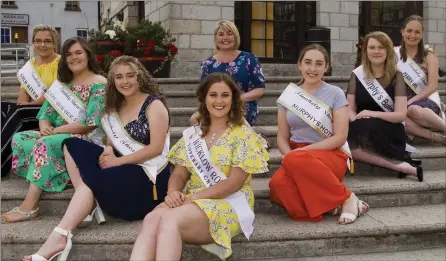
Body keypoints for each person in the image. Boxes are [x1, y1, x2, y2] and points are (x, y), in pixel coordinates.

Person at [23, 56, 172, 261]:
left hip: (148, 181)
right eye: (119, 77)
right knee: (72, 144)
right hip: (121, 172)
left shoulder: (153, 105)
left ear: (141, 77)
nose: (125, 81)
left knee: (92, 181)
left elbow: (155, 149)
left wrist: (118, 161)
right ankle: (85, 206)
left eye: (130, 75)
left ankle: (61, 236)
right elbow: (111, 139)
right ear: (113, 81)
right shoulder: (115, 106)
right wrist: (109, 150)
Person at [130, 72, 269, 261]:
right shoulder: (193, 135)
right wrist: (172, 192)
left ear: (233, 99)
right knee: (151, 219)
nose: (219, 101)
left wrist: (191, 198)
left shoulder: (243, 135)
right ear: (204, 99)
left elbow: (234, 183)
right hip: (192, 201)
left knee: (170, 219)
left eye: (225, 95)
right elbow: (179, 174)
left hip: (230, 203)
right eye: (213, 95)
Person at [1, 37, 106, 224]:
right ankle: (56, 174)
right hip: (57, 134)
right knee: (20, 137)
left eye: (78, 53)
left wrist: (55, 132)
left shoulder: (99, 83)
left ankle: (30, 207)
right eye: (68, 55)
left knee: (45, 143)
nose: (74, 58)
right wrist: (45, 129)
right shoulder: (62, 83)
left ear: (88, 56)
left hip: (85, 137)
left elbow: (91, 122)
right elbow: (45, 114)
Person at [269, 44, 368, 224]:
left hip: (330, 153)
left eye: (318, 64)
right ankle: (335, 204)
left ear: (326, 67)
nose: (312, 69)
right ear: (299, 65)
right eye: (307, 63)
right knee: (277, 186)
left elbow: (339, 137)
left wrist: (300, 154)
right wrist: (290, 155)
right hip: (297, 156)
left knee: (294, 164)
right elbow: (282, 137)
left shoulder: (335, 93)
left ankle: (347, 199)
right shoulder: (289, 95)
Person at [347, 31, 423, 182]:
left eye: (381, 47)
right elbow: (349, 108)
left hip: (390, 127)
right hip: (362, 126)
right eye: (372, 47)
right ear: (366, 51)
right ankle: (401, 167)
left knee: (358, 133)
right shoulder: (357, 75)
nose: (376, 51)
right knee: (349, 138)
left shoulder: (397, 76)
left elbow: (400, 115)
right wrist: (355, 119)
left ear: (388, 50)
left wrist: (371, 114)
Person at [1, 24, 60, 176]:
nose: (42, 44)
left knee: (19, 112)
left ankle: (1, 162)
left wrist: (27, 105)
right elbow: (23, 91)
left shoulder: (61, 63)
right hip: (32, 108)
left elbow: (54, 94)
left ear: (54, 43)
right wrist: (22, 103)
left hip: (51, 111)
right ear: (33, 43)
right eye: (38, 41)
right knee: (3, 107)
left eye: (47, 41)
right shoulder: (31, 65)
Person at [191, 20, 265, 126]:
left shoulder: (250, 59)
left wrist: (235, 99)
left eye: (229, 34)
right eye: (221, 34)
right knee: (194, 120)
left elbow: (259, 90)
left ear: (235, 37)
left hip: (242, 109)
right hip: (216, 108)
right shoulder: (207, 64)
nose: (225, 37)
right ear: (216, 39)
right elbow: (204, 93)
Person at [395, 15, 446, 145]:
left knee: (413, 109)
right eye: (409, 31)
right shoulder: (393, 54)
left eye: (417, 32)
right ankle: (439, 138)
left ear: (422, 34)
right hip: (401, 101)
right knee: (399, 116)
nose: (413, 35)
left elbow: (432, 86)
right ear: (402, 31)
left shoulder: (429, 56)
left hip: (425, 100)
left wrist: (411, 101)